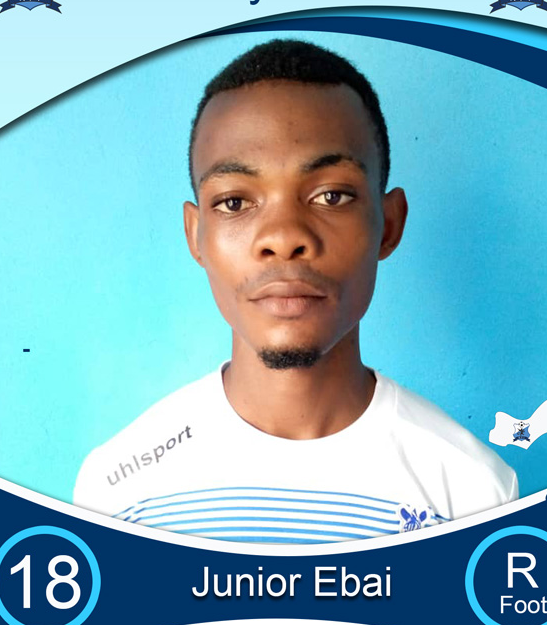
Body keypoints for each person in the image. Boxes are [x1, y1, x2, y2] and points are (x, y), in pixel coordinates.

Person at [74, 39, 517, 543]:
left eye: (332, 195)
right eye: (235, 202)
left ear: (389, 225)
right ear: (196, 236)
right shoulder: (117, 491)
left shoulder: (473, 494)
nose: (284, 237)